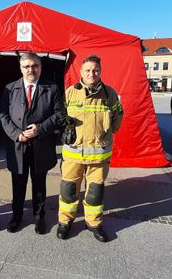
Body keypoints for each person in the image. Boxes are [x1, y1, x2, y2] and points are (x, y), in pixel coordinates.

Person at [57, 55, 123, 242]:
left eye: (95, 70)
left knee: (95, 193)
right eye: (88, 70)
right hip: (73, 156)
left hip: (99, 157)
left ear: (100, 71)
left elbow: (117, 122)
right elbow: (60, 118)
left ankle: (93, 223)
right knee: (68, 191)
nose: (91, 74)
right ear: (81, 72)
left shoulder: (110, 94)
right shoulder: (70, 93)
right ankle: (65, 222)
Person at [0, 52, 65, 234]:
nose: (31, 69)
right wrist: (16, 134)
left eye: (35, 65)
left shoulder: (52, 88)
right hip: (18, 145)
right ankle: (16, 217)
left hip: (41, 145)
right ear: (21, 68)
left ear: (40, 67)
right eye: (27, 66)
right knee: (18, 183)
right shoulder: (10, 89)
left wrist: (40, 129)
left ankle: (39, 216)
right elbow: (2, 115)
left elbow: (60, 115)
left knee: (39, 184)